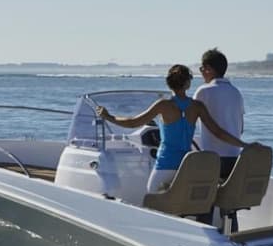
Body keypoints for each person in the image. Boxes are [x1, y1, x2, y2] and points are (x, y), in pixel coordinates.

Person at [95, 64, 250, 194]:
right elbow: (218, 132)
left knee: (152, 199)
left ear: (169, 83)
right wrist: (244, 145)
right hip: (186, 166)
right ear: (188, 84)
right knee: (180, 203)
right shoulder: (197, 106)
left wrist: (109, 117)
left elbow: (133, 123)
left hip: (165, 164)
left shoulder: (163, 105)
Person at [193, 48, 246, 178]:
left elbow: (189, 121)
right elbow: (241, 129)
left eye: (202, 69)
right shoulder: (236, 92)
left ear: (208, 69)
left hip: (213, 158)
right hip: (234, 157)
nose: (201, 73)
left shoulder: (203, 91)